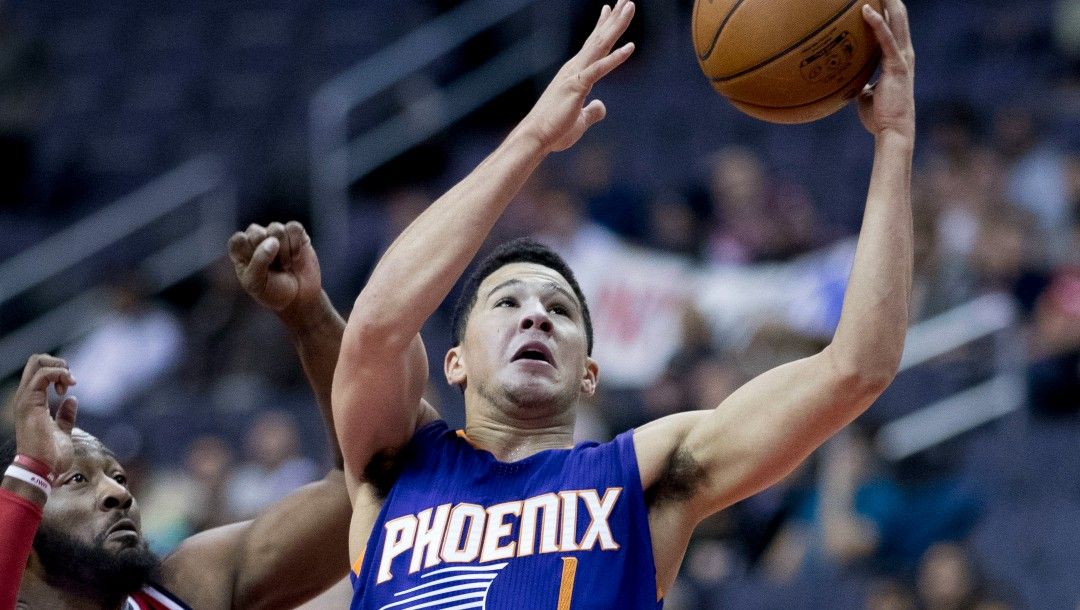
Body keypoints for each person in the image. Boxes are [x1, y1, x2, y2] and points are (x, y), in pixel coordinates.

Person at [333, 0, 915, 606]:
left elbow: (857, 368)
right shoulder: (397, 467)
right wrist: (530, 140)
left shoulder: (639, 480)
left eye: (560, 312)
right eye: (506, 303)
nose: (536, 314)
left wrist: (896, 141)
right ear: (454, 362)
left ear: (589, 373)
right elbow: (376, 325)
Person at [1, 221, 352, 609]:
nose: (119, 493)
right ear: (26, 535)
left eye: (118, 476)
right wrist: (30, 468)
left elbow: (357, 490)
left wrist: (310, 317)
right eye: (78, 479)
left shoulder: (190, 584)